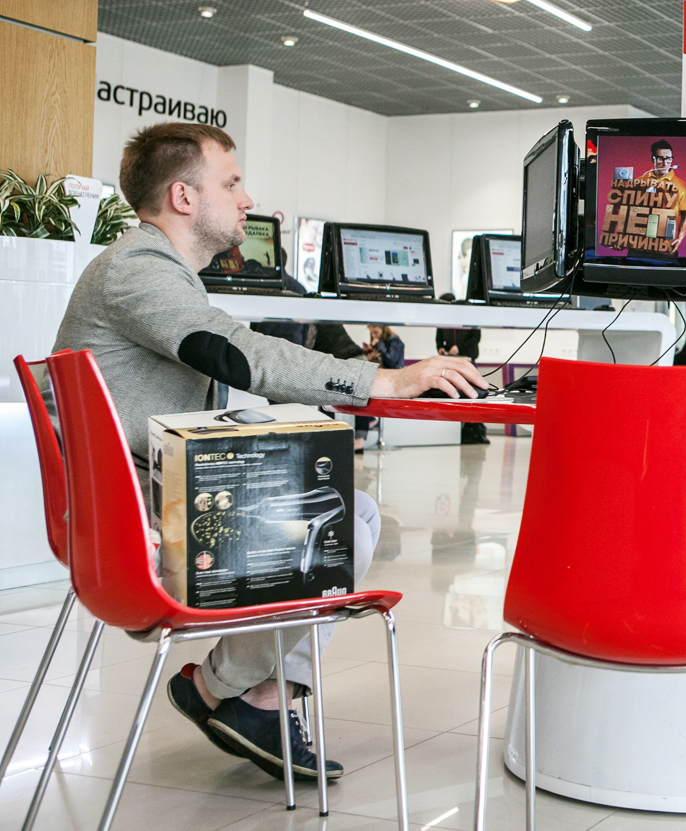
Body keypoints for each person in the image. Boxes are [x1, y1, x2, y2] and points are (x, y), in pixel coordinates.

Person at [49, 122, 487, 782]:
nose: (248, 198)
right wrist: (384, 378)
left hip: (145, 508)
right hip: (138, 534)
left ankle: (252, 695)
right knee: (340, 523)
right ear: (183, 197)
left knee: (355, 512)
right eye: (230, 182)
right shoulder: (137, 271)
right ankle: (227, 690)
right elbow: (234, 351)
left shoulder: (149, 269)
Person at [436, 293, 488, 444]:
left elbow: (475, 338)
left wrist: (459, 347)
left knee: (474, 395)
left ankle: (479, 430)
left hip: (468, 362)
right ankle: (457, 431)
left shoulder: (467, 317)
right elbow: (438, 338)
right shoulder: (443, 322)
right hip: (450, 362)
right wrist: (440, 348)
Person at [354, 324, 406, 451]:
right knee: (360, 393)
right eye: (372, 333)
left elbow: (392, 361)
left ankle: (360, 439)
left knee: (362, 395)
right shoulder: (380, 342)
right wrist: (368, 352)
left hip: (393, 381)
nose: (373, 336)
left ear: (383, 330)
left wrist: (381, 346)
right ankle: (369, 421)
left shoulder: (395, 341)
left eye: (376, 332)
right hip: (381, 380)